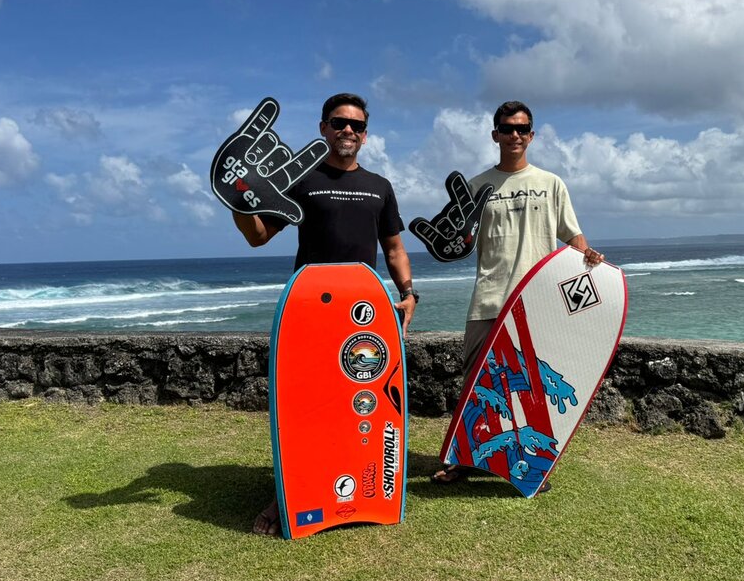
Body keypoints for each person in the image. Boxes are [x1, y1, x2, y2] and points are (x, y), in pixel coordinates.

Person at [234, 92, 419, 535]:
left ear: (366, 134)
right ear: (323, 128)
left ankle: (358, 490)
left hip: (362, 316)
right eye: (338, 123)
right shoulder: (302, 181)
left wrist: (409, 294)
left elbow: (394, 248)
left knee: (359, 409)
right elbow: (258, 236)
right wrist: (240, 205)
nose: (347, 131)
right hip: (310, 312)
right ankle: (291, 496)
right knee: (306, 406)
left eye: (356, 125)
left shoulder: (380, 186)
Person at [431, 100, 604, 488]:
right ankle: (465, 459)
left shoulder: (551, 184)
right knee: (476, 384)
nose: (514, 135)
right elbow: (455, 241)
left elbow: (573, 237)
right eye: (507, 129)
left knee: (530, 389)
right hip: (489, 299)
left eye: (522, 129)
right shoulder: (477, 187)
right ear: (495, 135)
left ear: (531, 135)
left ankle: (531, 466)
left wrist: (588, 261)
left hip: (537, 304)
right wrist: (449, 238)